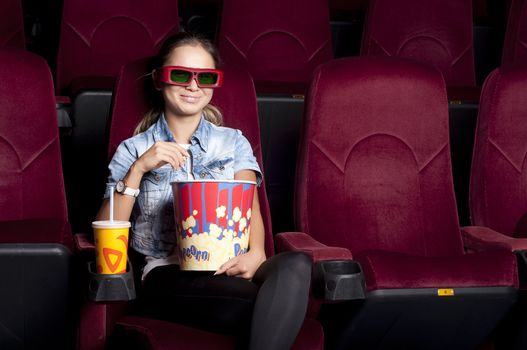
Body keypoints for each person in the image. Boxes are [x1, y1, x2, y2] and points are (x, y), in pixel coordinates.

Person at [96, 32, 312, 350]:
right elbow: (106, 227)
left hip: (231, 266)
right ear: (159, 80)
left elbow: (248, 206)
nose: (193, 86)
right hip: (167, 272)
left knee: (298, 265)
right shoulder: (134, 148)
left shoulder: (233, 141)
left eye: (206, 77)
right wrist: (138, 170)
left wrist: (257, 253)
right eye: (181, 75)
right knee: (271, 302)